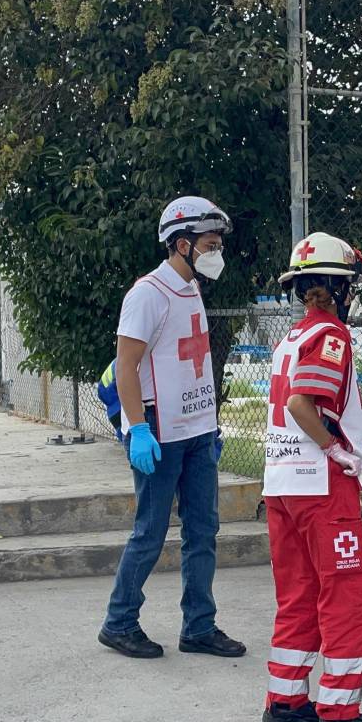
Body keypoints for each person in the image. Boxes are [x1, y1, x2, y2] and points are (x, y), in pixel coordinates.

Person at [260, 232, 362, 722]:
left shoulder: (289, 338)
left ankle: (287, 700)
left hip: (282, 487)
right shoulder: (330, 335)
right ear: (340, 289)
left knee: (298, 596)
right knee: (347, 599)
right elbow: (301, 404)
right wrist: (336, 450)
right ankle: (339, 714)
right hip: (322, 490)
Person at [98, 196, 245, 660]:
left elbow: (191, 365)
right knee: (151, 531)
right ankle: (119, 622)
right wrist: (137, 429)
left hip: (199, 433)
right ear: (181, 244)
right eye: (210, 244)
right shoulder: (148, 293)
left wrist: (209, 427)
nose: (217, 252)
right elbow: (127, 366)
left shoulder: (192, 289)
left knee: (203, 531)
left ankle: (199, 627)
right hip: (159, 431)